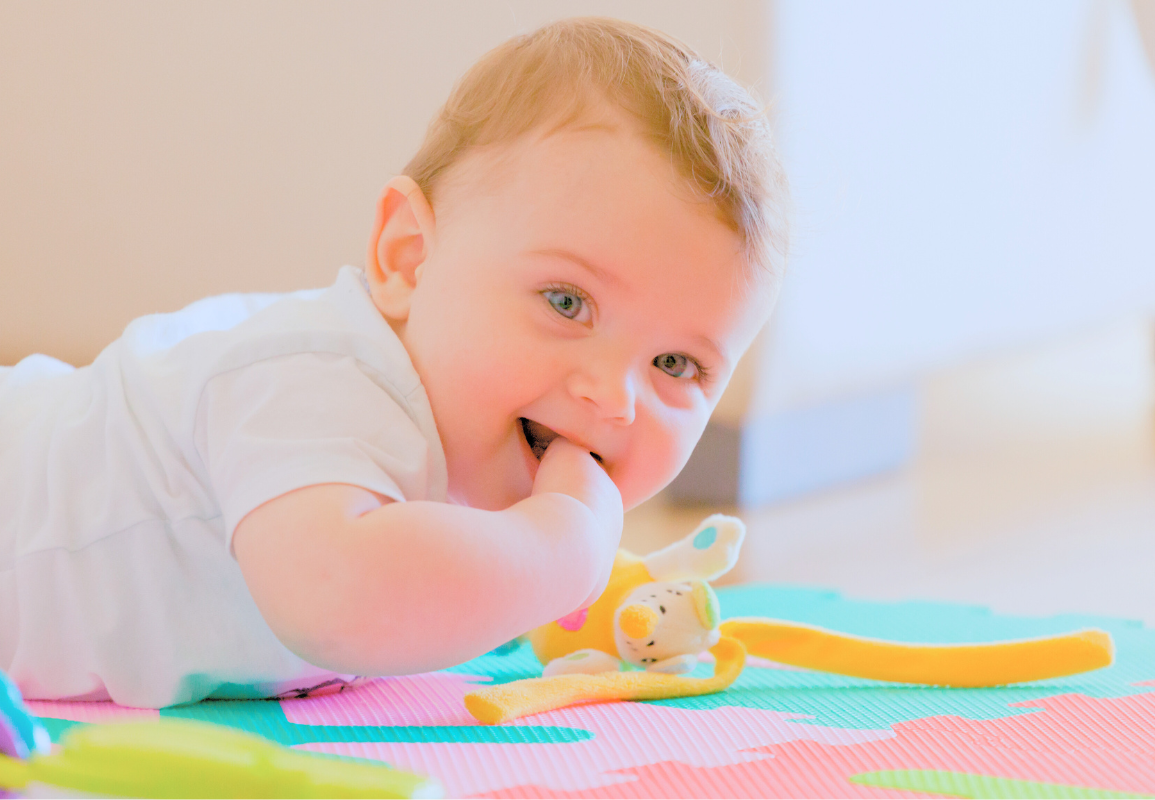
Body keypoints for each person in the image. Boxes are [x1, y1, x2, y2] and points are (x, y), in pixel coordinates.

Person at [0, 17, 788, 707]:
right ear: (409, 257)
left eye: (677, 364)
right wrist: (558, 552)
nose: (613, 399)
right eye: (566, 302)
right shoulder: (315, 378)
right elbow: (332, 595)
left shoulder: (464, 462)